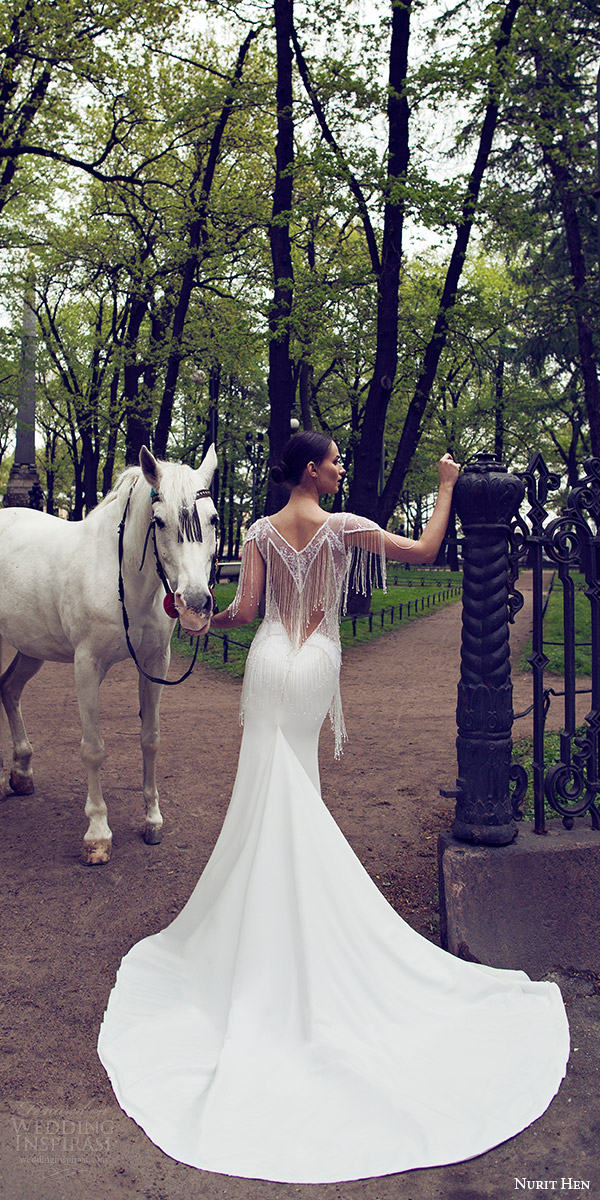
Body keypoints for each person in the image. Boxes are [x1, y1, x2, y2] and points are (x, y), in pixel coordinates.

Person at [98, 432, 569, 1185]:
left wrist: (200, 622)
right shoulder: (345, 527)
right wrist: (447, 485)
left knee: (268, 788)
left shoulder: (256, 532)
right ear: (313, 470)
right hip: (314, 661)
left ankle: (270, 919)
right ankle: (304, 917)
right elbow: (423, 550)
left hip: (268, 659)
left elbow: (247, 612)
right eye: (336, 459)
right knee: (295, 787)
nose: (344, 466)